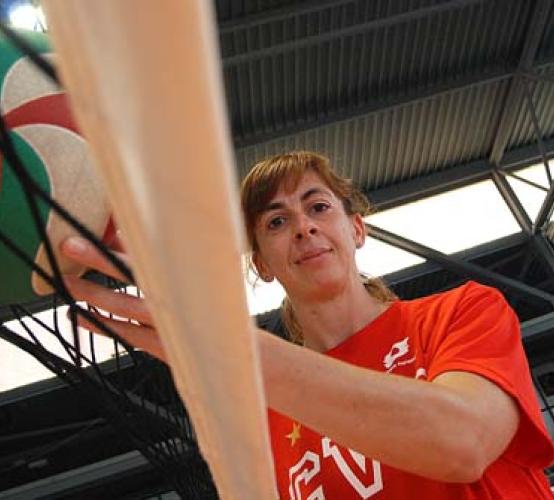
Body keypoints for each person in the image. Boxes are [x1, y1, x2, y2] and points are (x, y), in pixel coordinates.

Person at [60, 150, 554, 499]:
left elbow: (463, 442)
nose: (304, 227)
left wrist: (226, 345)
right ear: (262, 264)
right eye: (276, 222)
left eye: (318, 207)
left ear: (355, 229)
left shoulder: (462, 311)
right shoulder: (261, 424)